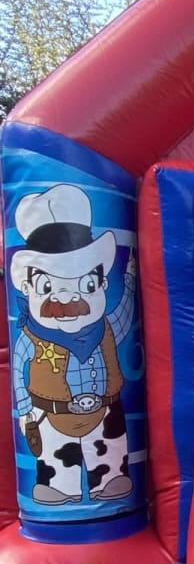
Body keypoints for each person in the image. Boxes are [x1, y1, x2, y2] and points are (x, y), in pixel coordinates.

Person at [10, 184, 135, 505]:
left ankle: (109, 478)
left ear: (101, 283)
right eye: (48, 286)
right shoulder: (31, 336)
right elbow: (19, 369)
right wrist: (24, 410)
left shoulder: (104, 328)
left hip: (105, 409)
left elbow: (123, 317)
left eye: (86, 284)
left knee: (107, 450)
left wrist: (130, 281)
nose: (66, 300)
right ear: (29, 288)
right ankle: (58, 486)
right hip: (49, 412)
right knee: (55, 457)